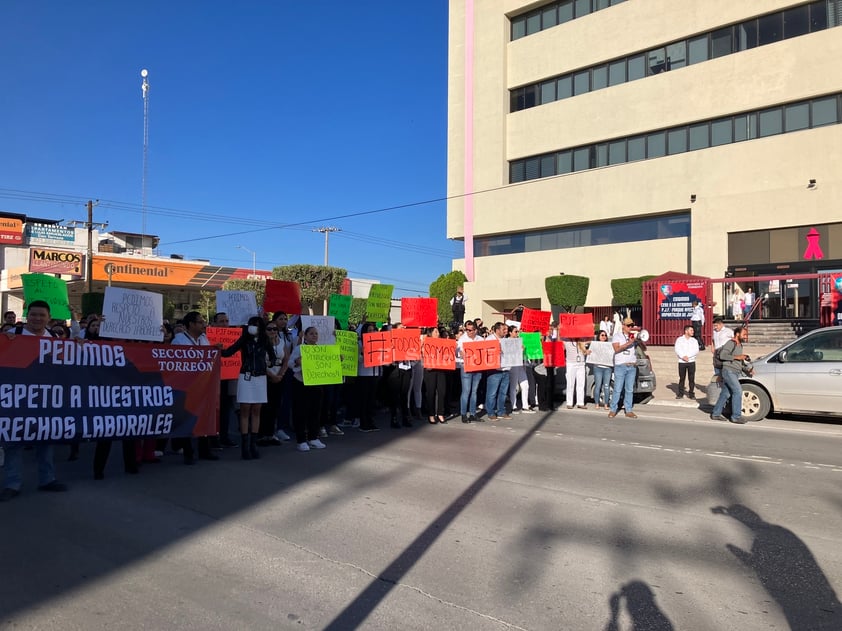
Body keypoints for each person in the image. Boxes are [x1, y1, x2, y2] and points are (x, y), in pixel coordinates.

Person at [1, 301, 68, 500]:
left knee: (45, 441)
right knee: (13, 442)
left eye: (41, 315)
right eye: (33, 315)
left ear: (48, 317)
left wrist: (78, 345)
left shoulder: (55, 338)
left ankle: (47, 479)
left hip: (46, 399)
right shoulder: (13, 336)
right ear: (27, 316)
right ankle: (12, 484)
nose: (37, 319)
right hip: (17, 399)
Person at [221, 315, 277, 459]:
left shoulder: (265, 340)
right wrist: (218, 348)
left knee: (256, 411)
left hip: (260, 377)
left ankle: (253, 444)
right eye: (253, 324)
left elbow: (273, 356)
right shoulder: (244, 339)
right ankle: (245, 446)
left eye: (257, 325)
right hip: (246, 376)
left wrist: (269, 363)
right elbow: (228, 352)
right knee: (245, 410)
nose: (255, 327)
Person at [289, 326, 328, 451]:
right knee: (301, 412)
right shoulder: (300, 348)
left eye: (316, 333)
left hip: (316, 384)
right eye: (311, 333)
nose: (314, 336)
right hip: (301, 383)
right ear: (305, 336)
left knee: (315, 411)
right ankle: (301, 440)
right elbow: (290, 363)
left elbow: (327, 364)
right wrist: (297, 361)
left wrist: (337, 360)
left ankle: (313, 438)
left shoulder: (320, 350)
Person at [710, 325, 750, 424]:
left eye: (746, 335)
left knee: (726, 393)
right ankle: (736, 416)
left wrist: (747, 369)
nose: (746, 336)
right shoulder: (731, 343)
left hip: (735, 372)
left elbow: (739, 361)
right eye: (744, 334)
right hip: (728, 371)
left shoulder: (740, 345)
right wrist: (738, 357)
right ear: (737, 334)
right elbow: (723, 355)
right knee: (738, 391)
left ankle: (716, 413)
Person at [608, 317, 644, 419]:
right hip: (621, 366)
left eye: (632, 326)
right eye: (628, 326)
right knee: (618, 389)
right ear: (623, 326)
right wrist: (629, 342)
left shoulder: (633, 336)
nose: (630, 327)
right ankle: (613, 409)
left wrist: (639, 341)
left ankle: (628, 410)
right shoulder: (617, 336)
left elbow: (644, 348)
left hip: (631, 366)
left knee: (629, 390)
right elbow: (616, 349)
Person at [457, 321, 483, 423]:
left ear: (475, 330)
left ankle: (473, 413)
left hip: (477, 367)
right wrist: (461, 353)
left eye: (470, 330)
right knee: (466, 391)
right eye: (466, 330)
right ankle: (463, 414)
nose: (468, 332)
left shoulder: (480, 339)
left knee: (474, 391)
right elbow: (457, 351)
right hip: (466, 367)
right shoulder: (462, 339)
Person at [484, 322, 511, 421]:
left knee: (503, 393)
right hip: (494, 370)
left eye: (506, 329)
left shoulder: (507, 340)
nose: (506, 331)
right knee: (492, 393)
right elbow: (485, 353)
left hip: (506, 369)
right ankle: (491, 412)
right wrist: (495, 351)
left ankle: (501, 411)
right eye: (504, 329)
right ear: (497, 330)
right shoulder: (489, 339)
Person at [674, 324, 700, 399]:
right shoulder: (679, 340)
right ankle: (680, 393)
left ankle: (691, 394)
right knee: (682, 378)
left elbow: (696, 350)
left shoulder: (694, 340)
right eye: (691, 330)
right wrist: (683, 356)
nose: (693, 332)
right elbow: (677, 349)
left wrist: (688, 356)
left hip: (691, 361)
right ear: (686, 331)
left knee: (691, 379)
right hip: (682, 362)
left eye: (693, 330)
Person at [563, 336, 589, 409]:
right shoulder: (566, 339)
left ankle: (580, 402)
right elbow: (560, 343)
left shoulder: (582, 339)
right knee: (570, 383)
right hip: (571, 363)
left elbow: (588, 343)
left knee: (581, 384)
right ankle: (569, 402)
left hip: (581, 363)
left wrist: (586, 351)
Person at [589, 331, 613, 410]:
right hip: (598, 368)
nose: (604, 337)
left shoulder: (609, 345)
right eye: (602, 335)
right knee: (598, 386)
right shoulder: (595, 345)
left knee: (606, 386)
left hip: (607, 368)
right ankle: (597, 403)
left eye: (605, 335)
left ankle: (606, 404)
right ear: (599, 336)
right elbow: (591, 353)